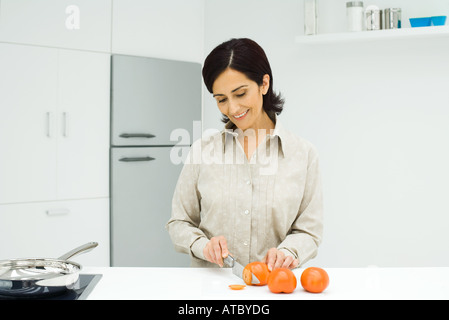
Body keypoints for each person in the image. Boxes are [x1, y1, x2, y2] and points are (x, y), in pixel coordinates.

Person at [166, 38, 323, 271]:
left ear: (264, 84)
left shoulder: (303, 154)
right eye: (221, 99)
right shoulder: (202, 151)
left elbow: (308, 231)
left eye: (240, 94)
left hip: (274, 287)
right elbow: (179, 223)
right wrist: (203, 246)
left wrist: (288, 252)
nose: (232, 109)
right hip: (211, 289)